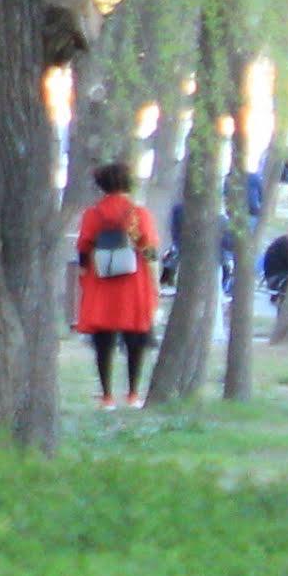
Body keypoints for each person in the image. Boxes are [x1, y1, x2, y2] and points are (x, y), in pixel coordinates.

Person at [71, 160, 163, 409]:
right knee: (136, 340)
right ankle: (133, 394)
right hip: (134, 282)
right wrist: (156, 280)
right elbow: (149, 249)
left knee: (103, 342)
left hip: (102, 281)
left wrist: (84, 277)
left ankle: (107, 396)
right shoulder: (138, 214)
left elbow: (83, 248)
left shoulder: (93, 214)